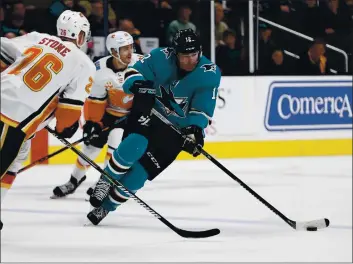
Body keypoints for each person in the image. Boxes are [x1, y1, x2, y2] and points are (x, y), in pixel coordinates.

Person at [86, 29, 221, 225]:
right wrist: (136, 83)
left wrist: (194, 131)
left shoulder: (209, 73)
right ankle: (105, 180)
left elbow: (201, 110)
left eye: (194, 55)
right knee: (134, 145)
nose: (190, 60)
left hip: (175, 131)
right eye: (185, 56)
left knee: (139, 176)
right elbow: (133, 72)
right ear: (175, 53)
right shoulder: (160, 56)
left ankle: (106, 208)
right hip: (149, 113)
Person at [0, 10, 96, 230]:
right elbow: (68, 115)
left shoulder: (37, 37)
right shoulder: (84, 64)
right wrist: (66, 128)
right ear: (80, 36)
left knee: (14, 162)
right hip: (14, 118)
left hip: (13, 112)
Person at [51, 31, 143, 198]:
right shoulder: (99, 70)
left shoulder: (142, 65)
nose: (130, 53)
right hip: (110, 113)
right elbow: (96, 101)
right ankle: (74, 180)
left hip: (134, 116)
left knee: (116, 142)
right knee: (90, 147)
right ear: (114, 52)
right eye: (124, 49)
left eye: (131, 47)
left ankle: (104, 183)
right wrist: (94, 123)